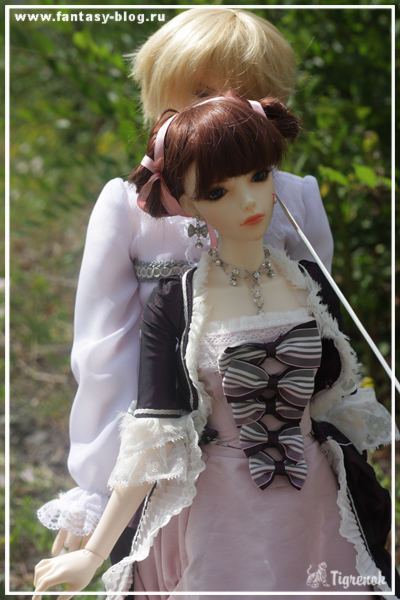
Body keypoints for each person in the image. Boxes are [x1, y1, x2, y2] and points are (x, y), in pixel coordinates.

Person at [33, 94, 396, 599]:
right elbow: (158, 434)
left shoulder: (310, 282)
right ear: (187, 203)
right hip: (222, 510)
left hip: (316, 505)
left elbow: (336, 404)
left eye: (259, 176)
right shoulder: (178, 303)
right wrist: (94, 552)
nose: (248, 202)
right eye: (219, 191)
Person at [37, 7, 335, 561]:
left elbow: (321, 331)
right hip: (154, 446)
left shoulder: (293, 199)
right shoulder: (129, 208)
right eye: (201, 92)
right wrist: (99, 481)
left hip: (264, 450)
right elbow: (103, 348)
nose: (223, 107)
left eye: (245, 92)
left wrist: (326, 434)